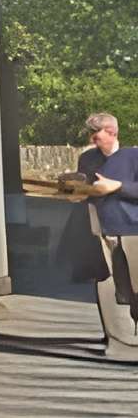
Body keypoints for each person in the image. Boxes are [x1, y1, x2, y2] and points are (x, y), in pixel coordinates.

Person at [72, 113, 138, 361]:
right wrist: (77, 193)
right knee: (107, 283)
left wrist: (118, 186)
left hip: (133, 229)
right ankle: (116, 339)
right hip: (100, 228)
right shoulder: (87, 159)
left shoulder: (134, 156)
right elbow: (86, 190)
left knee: (135, 285)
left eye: (96, 133)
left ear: (112, 132)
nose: (92, 138)